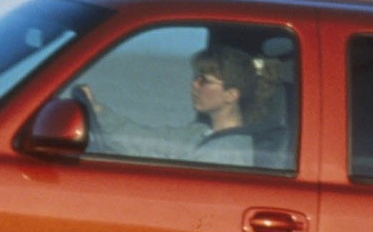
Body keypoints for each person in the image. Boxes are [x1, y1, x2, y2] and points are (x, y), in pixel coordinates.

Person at [78, 45, 260, 167]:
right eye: (196, 78)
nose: (194, 85)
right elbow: (146, 142)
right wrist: (98, 110)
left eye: (204, 81)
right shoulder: (200, 132)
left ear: (231, 95)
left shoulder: (224, 154)